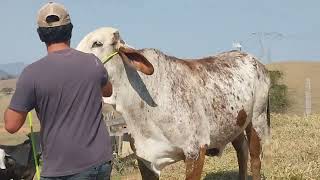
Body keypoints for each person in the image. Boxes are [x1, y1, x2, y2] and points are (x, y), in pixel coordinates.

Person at [4, 2, 113, 179]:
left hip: (62, 170)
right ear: (70, 30)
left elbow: (11, 125)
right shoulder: (93, 62)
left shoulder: (31, 74)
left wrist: (21, 97)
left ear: (40, 35)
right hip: (99, 163)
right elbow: (107, 91)